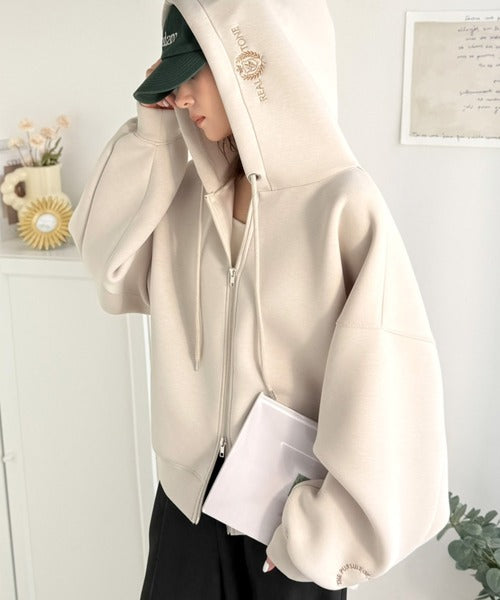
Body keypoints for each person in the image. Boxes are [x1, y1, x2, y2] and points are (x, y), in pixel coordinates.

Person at [68, 1, 450, 598]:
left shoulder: (343, 205)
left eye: (195, 73)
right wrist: (152, 135)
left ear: (256, 64)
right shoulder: (184, 194)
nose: (182, 97)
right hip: (187, 509)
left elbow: (390, 388)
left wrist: (324, 537)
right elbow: (111, 274)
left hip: (285, 528)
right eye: (174, 79)